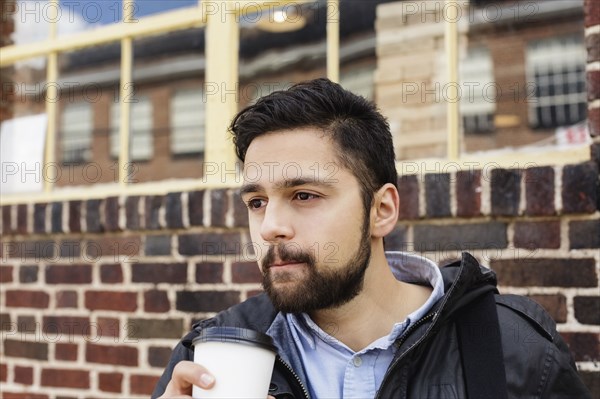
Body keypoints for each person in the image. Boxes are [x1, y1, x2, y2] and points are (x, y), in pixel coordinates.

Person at [152, 78, 590, 398]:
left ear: (381, 210)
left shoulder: (511, 345)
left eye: (304, 195)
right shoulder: (211, 354)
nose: (269, 228)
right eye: (257, 203)